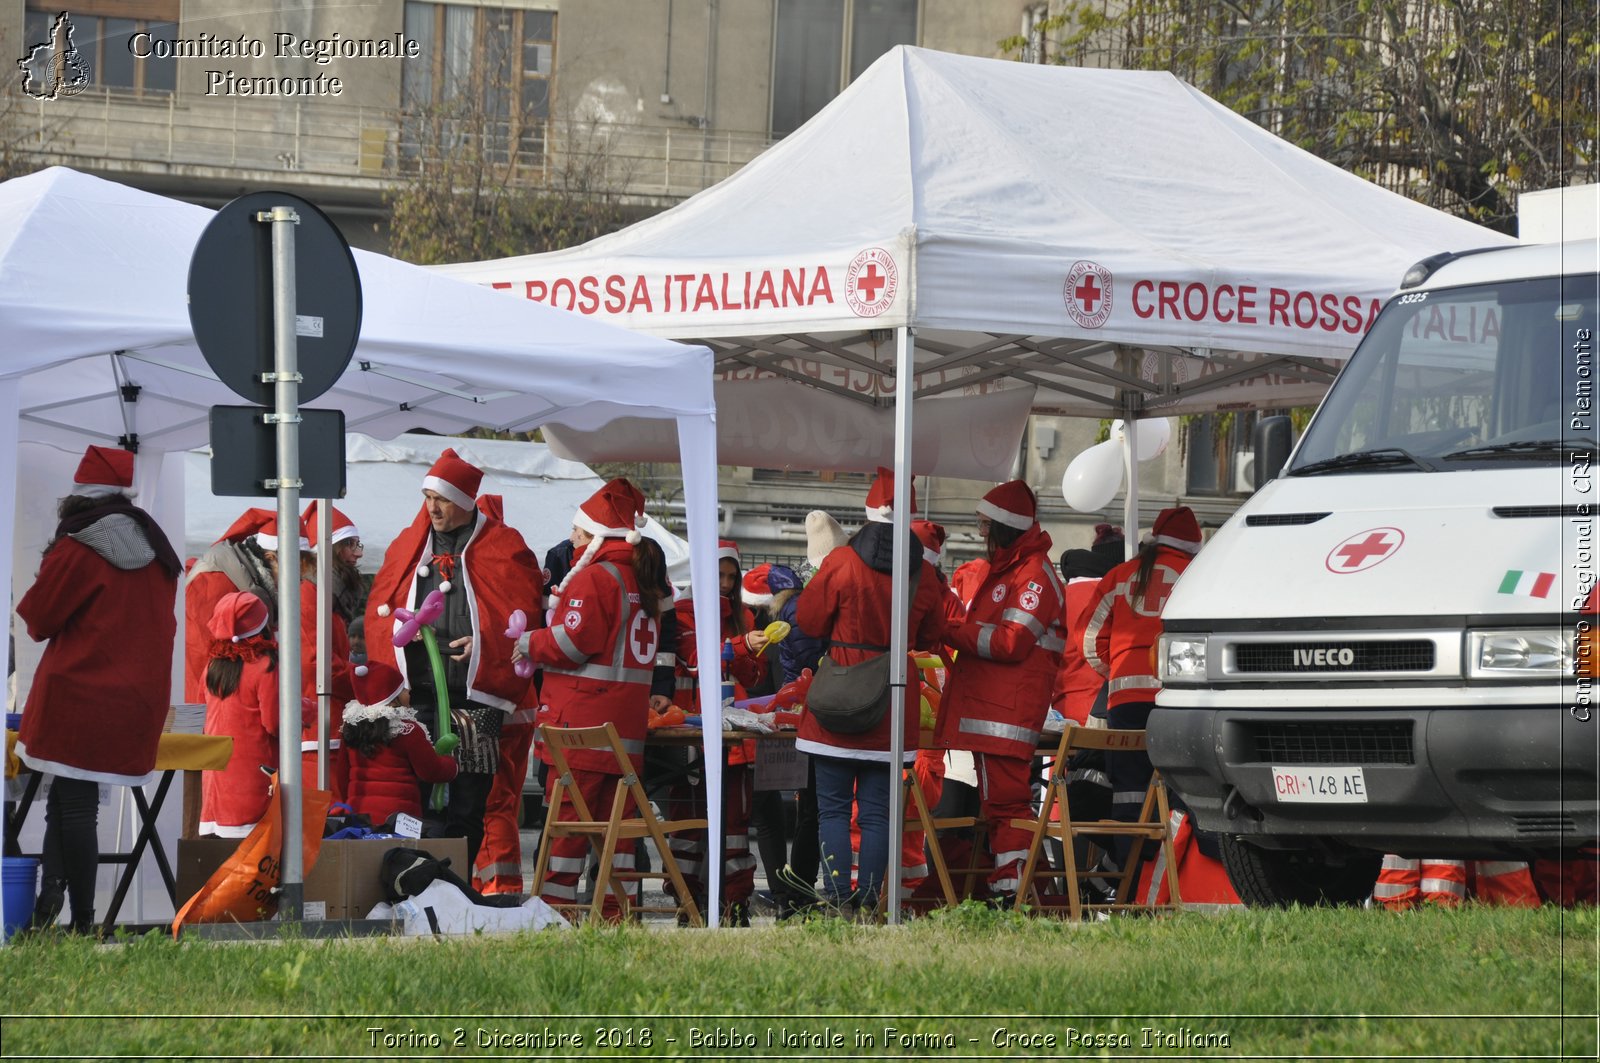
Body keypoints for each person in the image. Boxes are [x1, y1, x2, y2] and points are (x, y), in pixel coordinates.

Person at [17, 446, 181, 933]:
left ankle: (82, 923)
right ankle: (50, 909)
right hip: (135, 700)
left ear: (78, 498)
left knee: (73, 806)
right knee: (68, 801)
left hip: (78, 695)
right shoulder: (158, 550)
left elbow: (39, 620)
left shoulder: (77, 547)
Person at [365, 448, 542, 866]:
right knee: (420, 801)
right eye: (428, 497)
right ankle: (419, 879)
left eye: (441, 499)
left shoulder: (504, 546)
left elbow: (523, 611)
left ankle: (456, 882)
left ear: (463, 501)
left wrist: (484, 645)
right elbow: (380, 607)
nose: (432, 507)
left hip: (475, 698)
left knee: (468, 800)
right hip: (419, 697)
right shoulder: (409, 546)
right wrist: (394, 681)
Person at [795, 467, 948, 916]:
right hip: (892, 701)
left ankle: (839, 900)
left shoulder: (841, 562)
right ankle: (871, 904)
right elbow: (933, 634)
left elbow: (808, 621)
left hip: (837, 699)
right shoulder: (923, 574)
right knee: (880, 813)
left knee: (833, 812)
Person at [514, 478, 660, 919]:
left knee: (569, 832)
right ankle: (620, 914)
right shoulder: (642, 578)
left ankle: (556, 913)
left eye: (577, 532)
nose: (572, 540)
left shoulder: (596, 578)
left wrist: (529, 642)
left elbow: (574, 643)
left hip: (581, 727)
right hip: (624, 734)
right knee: (618, 833)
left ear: (596, 535)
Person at [936, 481, 1067, 908]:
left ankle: (1012, 892)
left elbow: (1012, 642)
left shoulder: (1033, 575)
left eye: (985, 526)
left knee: (1006, 807)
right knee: (1003, 805)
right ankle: (1026, 887)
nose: (980, 534)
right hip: (997, 712)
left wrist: (952, 630)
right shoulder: (1014, 570)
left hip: (1005, 714)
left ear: (1005, 529)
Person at [1081, 505, 1202, 868]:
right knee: (1179, 791)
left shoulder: (1119, 575)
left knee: (1128, 790)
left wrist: (1118, 673)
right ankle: (1167, 877)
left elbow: (1090, 641)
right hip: (1178, 701)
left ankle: (1126, 874)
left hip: (1126, 702)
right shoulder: (1196, 577)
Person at [664, 538, 771, 925]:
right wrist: (741, 645)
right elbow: (696, 660)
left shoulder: (744, 614)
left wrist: (746, 652)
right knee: (689, 826)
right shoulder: (680, 613)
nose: (725, 583)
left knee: (736, 828)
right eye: (719, 575)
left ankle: (735, 905)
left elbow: (755, 676)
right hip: (690, 738)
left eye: (731, 576)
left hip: (733, 739)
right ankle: (687, 903)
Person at [471, 494, 545, 897]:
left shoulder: (480, 565)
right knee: (504, 802)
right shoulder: (516, 559)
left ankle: (496, 887)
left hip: (488, 703)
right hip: (522, 702)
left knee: (488, 802)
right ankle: (496, 883)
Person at [198, 591, 291, 838]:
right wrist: (303, 711)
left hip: (214, 781)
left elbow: (201, 716)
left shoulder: (211, 667)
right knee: (254, 863)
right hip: (253, 777)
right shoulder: (265, 666)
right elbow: (274, 724)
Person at [334, 660, 459, 827]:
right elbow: (430, 771)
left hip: (358, 816)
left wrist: (349, 803)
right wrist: (451, 764)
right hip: (399, 818)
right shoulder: (406, 729)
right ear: (392, 700)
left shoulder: (350, 729)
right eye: (403, 689)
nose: (409, 691)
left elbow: (342, 775)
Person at [182, 508, 276, 703]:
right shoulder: (214, 581)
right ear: (271, 558)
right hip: (216, 705)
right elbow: (202, 655)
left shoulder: (240, 578)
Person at [304, 504, 366, 626]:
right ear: (328, 548)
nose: (359, 553)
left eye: (357, 544)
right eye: (350, 544)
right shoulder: (310, 593)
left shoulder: (331, 591)